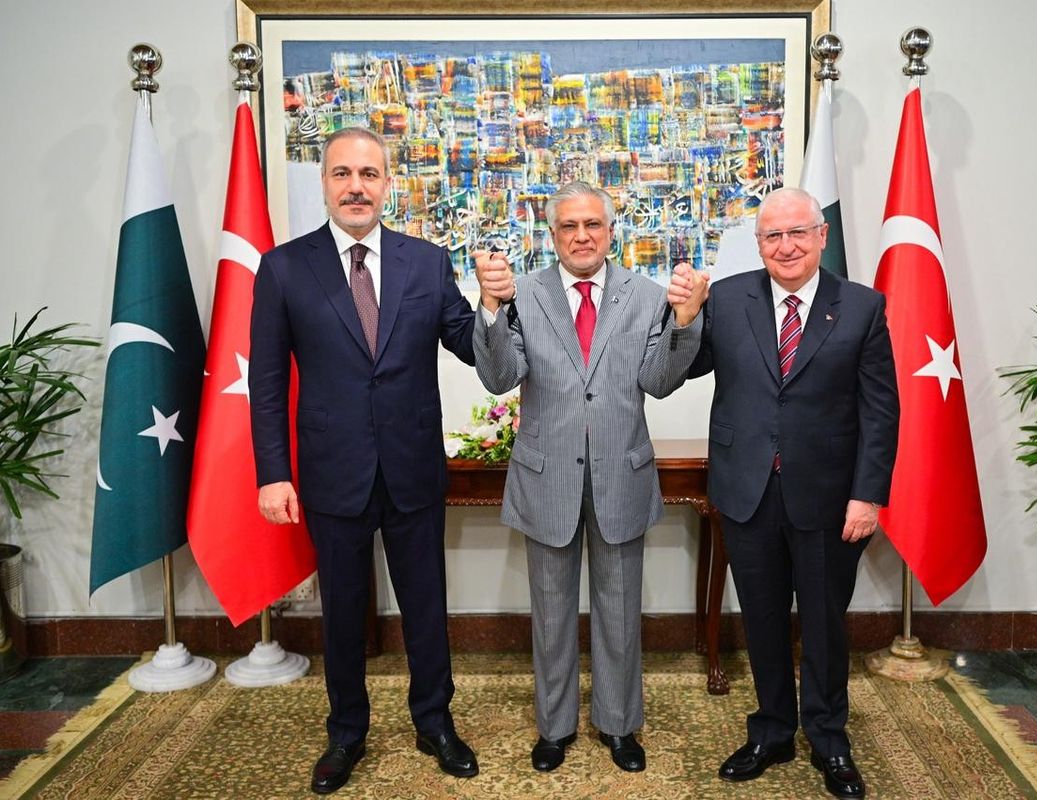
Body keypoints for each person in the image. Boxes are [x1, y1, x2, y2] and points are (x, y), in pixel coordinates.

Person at [250, 127, 496, 794]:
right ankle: (346, 733)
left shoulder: (427, 262)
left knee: (426, 605)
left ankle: (434, 723)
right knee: (342, 612)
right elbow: (266, 382)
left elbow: (468, 343)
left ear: (388, 184)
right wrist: (273, 473)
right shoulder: (284, 268)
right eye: (342, 174)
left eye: (368, 174)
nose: (355, 187)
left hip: (413, 466)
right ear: (324, 184)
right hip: (332, 471)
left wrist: (492, 304)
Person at [471, 182, 708, 774]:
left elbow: (658, 381)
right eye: (569, 226)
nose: (582, 236)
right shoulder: (522, 293)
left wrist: (684, 322)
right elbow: (499, 378)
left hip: (620, 476)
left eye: (593, 225)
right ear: (552, 235)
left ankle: (619, 725)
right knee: (551, 613)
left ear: (610, 232)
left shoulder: (646, 295)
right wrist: (491, 308)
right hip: (546, 477)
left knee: (620, 611)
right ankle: (554, 728)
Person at [687, 188, 899, 799]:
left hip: (830, 497)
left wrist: (868, 495)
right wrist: (683, 317)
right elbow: (686, 368)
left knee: (825, 625)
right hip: (746, 490)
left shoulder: (861, 307)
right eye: (772, 236)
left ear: (821, 236)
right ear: (758, 244)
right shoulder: (727, 299)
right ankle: (772, 731)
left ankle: (829, 739)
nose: (786, 247)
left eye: (798, 233)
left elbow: (880, 410)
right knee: (762, 619)